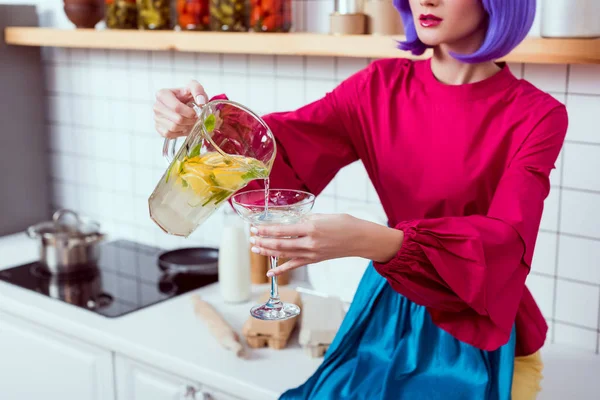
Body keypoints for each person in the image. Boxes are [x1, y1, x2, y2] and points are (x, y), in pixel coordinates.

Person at [153, 0, 566, 398]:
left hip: (478, 323)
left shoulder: (537, 116)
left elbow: (506, 242)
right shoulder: (379, 88)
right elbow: (283, 148)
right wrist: (206, 125)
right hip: (384, 313)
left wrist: (371, 242)